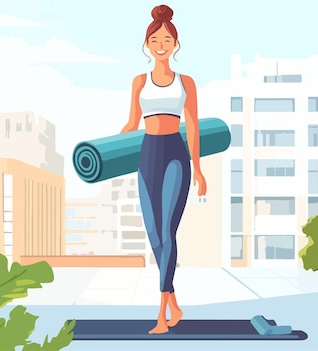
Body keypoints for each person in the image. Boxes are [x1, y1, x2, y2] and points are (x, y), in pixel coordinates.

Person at [120, 4, 207, 334]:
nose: (160, 44)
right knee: (154, 234)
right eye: (155, 39)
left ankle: (161, 314)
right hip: (147, 155)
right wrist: (105, 151)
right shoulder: (139, 81)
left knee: (168, 232)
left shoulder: (186, 82)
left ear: (175, 44)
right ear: (147, 44)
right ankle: (173, 300)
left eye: (166, 39)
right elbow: (131, 123)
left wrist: (197, 169)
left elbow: (194, 126)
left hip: (174, 155)